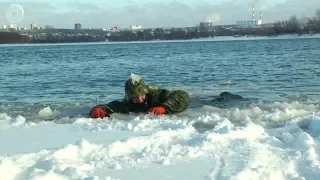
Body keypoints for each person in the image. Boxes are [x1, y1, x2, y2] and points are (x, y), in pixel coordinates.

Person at [89, 73, 190, 118]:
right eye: (134, 97)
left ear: (145, 92)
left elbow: (182, 96)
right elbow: (110, 107)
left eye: (141, 95)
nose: (139, 99)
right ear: (129, 97)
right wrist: (98, 109)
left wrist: (163, 108)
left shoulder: (157, 95)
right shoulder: (127, 103)